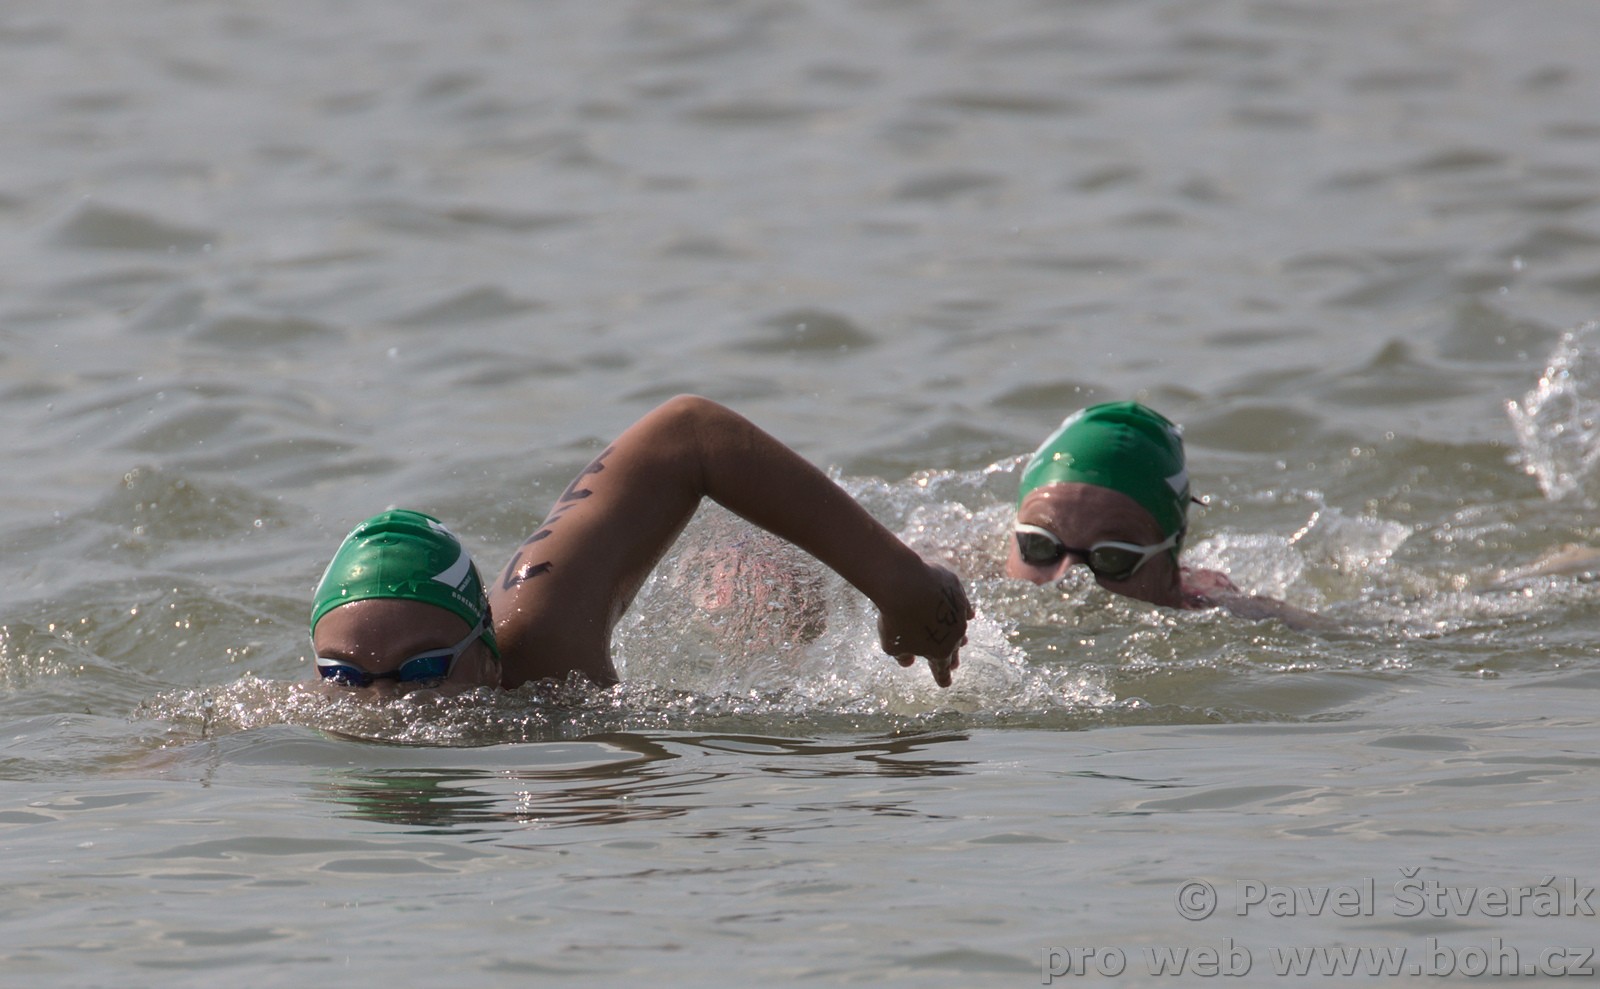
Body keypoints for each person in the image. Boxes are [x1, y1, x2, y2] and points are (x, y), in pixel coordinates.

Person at [308, 395, 972, 699]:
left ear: (484, 657)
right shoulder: (298, 713)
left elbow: (690, 433)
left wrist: (899, 579)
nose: (382, 703)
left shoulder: (542, 648)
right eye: (344, 676)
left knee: (782, 611)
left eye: (423, 671)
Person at [1005, 401, 1326, 626]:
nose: (1069, 578)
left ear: (1170, 568)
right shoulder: (976, 586)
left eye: (1112, 557)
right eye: (1039, 544)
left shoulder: (1231, 621)